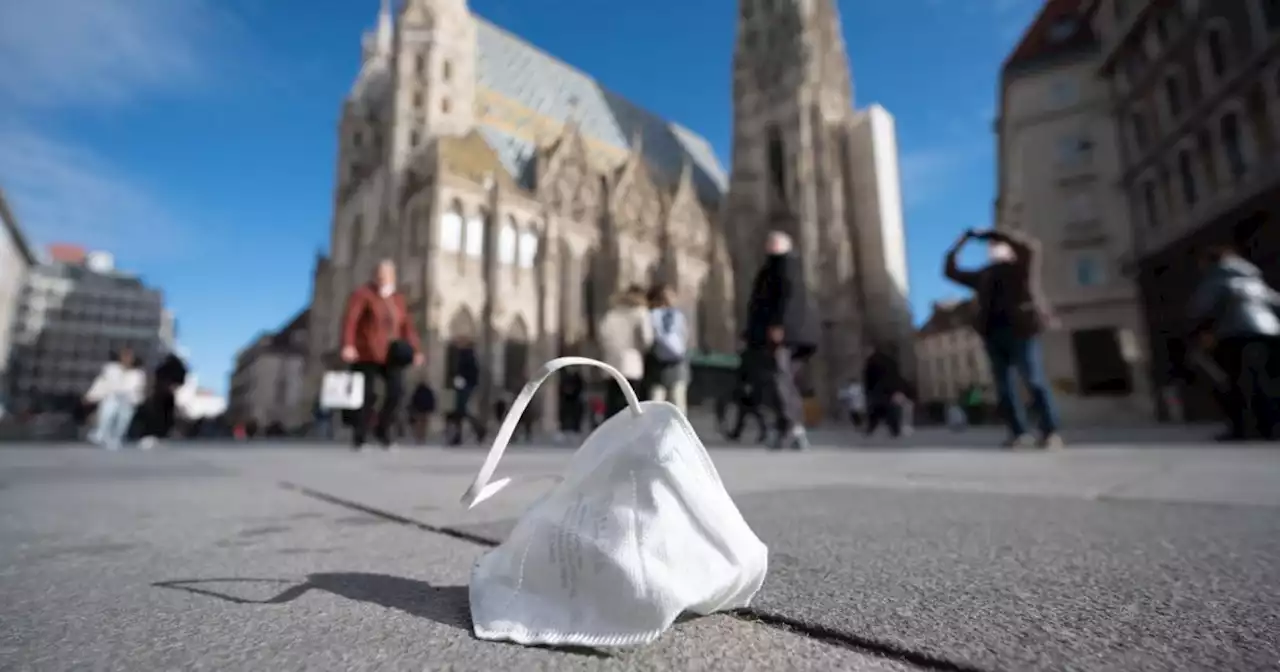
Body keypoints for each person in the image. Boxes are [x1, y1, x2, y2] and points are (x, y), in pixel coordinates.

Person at [944, 227, 1062, 449]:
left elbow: (1030, 247)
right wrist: (960, 243)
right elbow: (950, 271)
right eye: (992, 249)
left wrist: (991, 234)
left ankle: (1050, 431)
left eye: (999, 247)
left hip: (1022, 330)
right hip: (993, 333)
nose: (994, 251)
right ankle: (1018, 433)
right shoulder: (984, 275)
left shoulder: (1022, 267)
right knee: (1004, 386)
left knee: (1033, 379)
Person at [1187, 244, 1280, 441]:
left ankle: (1244, 428)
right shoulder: (1254, 280)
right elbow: (1276, 303)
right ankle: (1270, 427)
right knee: (1266, 382)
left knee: (1238, 383)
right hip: (1268, 333)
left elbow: (1203, 309)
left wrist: (1199, 332)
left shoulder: (1217, 278)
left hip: (1235, 336)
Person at [743, 230, 819, 451]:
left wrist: (779, 325)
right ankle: (793, 429)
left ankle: (789, 427)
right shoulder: (779, 265)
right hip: (788, 334)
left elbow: (789, 297)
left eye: (773, 243)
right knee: (784, 381)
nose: (769, 246)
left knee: (779, 379)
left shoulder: (785, 265)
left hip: (784, 334)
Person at [340, 259, 423, 450]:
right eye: (379, 274)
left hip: (390, 353)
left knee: (396, 392)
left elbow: (407, 327)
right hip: (366, 352)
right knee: (365, 396)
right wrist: (348, 345)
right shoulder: (363, 294)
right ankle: (360, 437)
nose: (382, 278)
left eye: (386, 275)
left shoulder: (397, 299)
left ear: (393, 277)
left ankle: (382, 430)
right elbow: (351, 320)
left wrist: (416, 350)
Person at [598, 284, 655, 417]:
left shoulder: (612, 313)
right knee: (630, 402)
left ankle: (611, 431)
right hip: (632, 361)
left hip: (611, 363)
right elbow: (647, 338)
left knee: (612, 402)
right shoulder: (640, 312)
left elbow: (603, 335)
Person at [84, 348, 147, 450]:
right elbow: (101, 383)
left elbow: (138, 390)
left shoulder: (138, 374)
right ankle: (101, 433)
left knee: (123, 418)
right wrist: (91, 396)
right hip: (112, 398)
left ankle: (116, 437)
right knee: (109, 409)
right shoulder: (111, 369)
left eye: (129, 357)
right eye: (125, 356)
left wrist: (136, 400)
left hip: (128, 401)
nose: (127, 359)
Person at [645, 283, 691, 413]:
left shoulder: (650, 315)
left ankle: (655, 431)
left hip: (657, 363)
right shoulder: (678, 316)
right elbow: (685, 337)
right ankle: (678, 431)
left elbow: (647, 339)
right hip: (677, 364)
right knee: (678, 404)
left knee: (655, 403)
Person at [138, 351, 188, 449]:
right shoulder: (174, 368)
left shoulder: (165, 367)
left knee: (161, 415)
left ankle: (157, 435)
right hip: (163, 394)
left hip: (162, 394)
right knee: (163, 415)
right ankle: (160, 435)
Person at [445, 335, 486, 446]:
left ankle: (478, 430)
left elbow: (471, 372)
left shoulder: (467, 355)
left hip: (464, 386)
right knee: (457, 411)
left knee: (461, 410)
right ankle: (459, 435)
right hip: (458, 386)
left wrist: (464, 381)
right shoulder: (461, 354)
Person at [862, 346, 903, 438]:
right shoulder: (891, 361)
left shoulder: (871, 361)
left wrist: (867, 391)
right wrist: (897, 390)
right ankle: (895, 430)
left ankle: (870, 429)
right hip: (889, 390)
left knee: (875, 411)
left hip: (877, 391)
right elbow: (896, 377)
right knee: (890, 411)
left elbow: (868, 378)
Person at [555, 367, 586, 443]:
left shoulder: (577, 377)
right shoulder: (564, 376)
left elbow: (580, 387)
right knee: (564, 414)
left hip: (574, 399)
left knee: (576, 414)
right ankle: (564, 430)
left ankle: (575, 431)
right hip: (566, 399)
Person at [409, 380, 436, 444]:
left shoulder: (417, 391)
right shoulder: (427, 391)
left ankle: (420, 436)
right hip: (423, 410)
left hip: (420, 409)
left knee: (420, 424)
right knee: (422, 424)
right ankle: (421, 436)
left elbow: (413, 401)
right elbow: (432, 400)